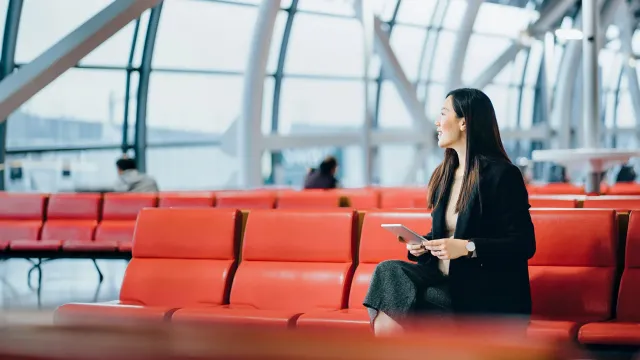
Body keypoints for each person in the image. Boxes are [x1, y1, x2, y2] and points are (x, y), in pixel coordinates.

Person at [363, 88, 536, 336]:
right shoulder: (445, 174)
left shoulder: (503, 175)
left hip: (487, 291)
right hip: (445, 281)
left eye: (443, 113)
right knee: (388, 270)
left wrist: (468, 247)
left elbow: (524, 244)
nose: (437, 121)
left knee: (407, 304)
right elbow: (445, 233)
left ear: (464, 121)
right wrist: (423, 244)